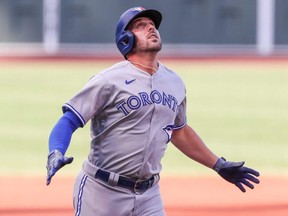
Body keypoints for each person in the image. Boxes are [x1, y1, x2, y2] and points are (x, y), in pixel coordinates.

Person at [46, 6, 260, 216]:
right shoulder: (108, 80)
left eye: (152, 25)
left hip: (149, 194)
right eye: (140, 25)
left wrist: (218, 165)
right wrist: (56, 151)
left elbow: (179, 131)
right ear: (125, 39)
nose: (151, 28)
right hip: (102, 192)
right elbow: (69, 120)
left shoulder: (174, 82)